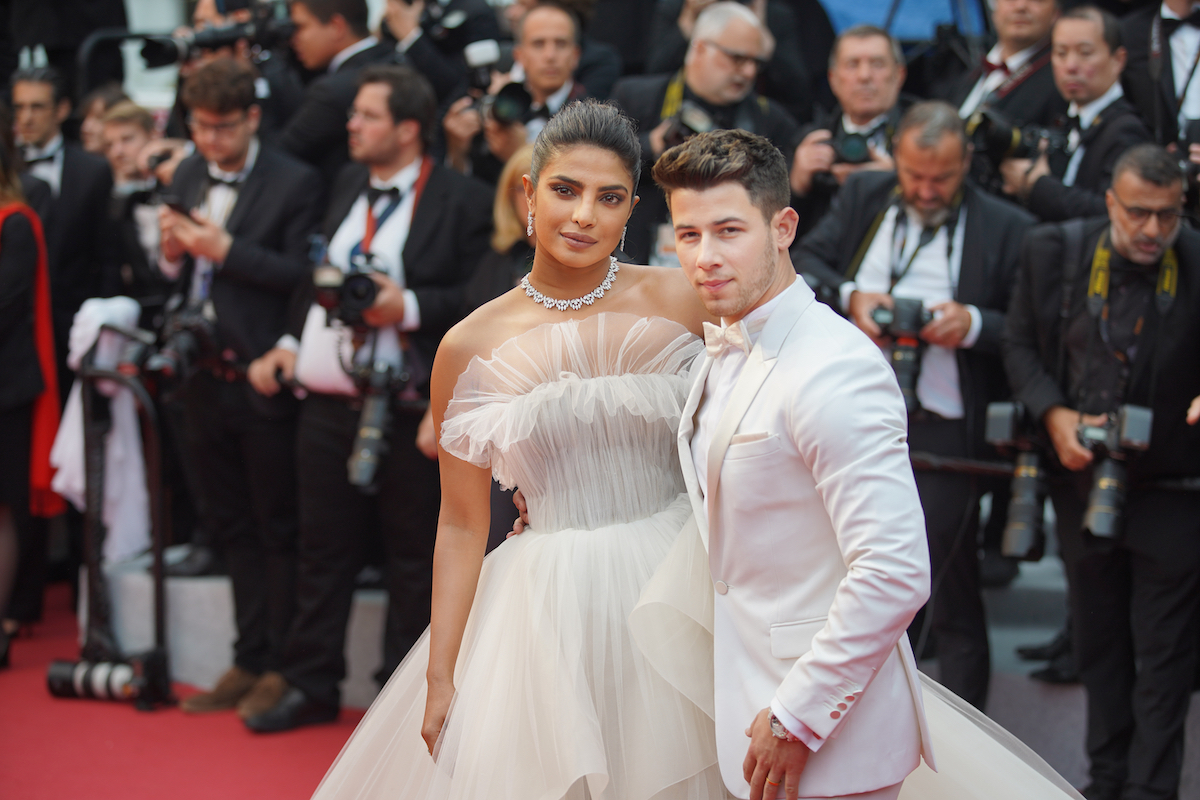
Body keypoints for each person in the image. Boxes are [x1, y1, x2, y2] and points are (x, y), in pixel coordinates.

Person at [303, 97, 725, 797]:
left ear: (632, 210)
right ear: (528, 194)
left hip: (686, 581)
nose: (584, 215)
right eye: (565, 190)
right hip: (550, 605)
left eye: (609, 197)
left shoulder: (686, 297)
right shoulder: (469, 344)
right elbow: (463, 523)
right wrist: (442, 676)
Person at [241, 65, 492, 733]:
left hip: (415, 408)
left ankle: (399, 697)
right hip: (330, 405)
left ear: (408, 128)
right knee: (322, 551)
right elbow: (317, 275)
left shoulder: (462, 199)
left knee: (414, 560)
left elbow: (481, 301)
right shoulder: (346, 183)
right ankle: (310, 680)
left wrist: (403, 306)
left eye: (367, 115)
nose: (350, 124)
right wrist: (293, 340)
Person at [795, 101, 1036, 711]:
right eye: (915, 175)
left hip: (948, 424)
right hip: (849, 414)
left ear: (967, 165)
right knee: (847, 577)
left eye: (943, 178)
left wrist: (974, 323)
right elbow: (804, 264)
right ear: (895, 160)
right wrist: (853, 296)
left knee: (944, 585)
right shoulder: (864, 198)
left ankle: (964, 736)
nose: (927, 191)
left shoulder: (1006, 225)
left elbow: (1034, 329)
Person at [1003, 143, 1200, 800]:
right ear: (1110, 201)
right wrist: (1053, 413)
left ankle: (1151, 792)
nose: (1153, 231)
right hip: (1080, 480)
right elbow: (1020, 344)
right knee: (1099, 648)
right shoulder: (1054, 250)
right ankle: (1105, 780)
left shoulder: (1196, 258)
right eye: (1139, 213)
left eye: (1167, 216)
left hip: (1173, 487)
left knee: (1166, 658)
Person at [156, 57, 323, 718]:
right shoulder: (191, 169)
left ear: (253, 118)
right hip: (202, 375)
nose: (209, 140)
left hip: (262, 375)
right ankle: (247, 654)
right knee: (228, 526)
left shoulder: (296, 180)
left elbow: (304, 277)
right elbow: (177, 266)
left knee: (277, 526)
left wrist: (225, 252)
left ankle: (280, 664)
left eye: (223, 127)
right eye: (199, 126)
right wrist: (171, 253)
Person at [610, 1, 798, 266]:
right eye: (737, 58)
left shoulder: (770, 120)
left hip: (727, 267)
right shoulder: (635, 98)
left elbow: (783, 200)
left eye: (755, 62)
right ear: (699, 48)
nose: (748, 72)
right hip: (634, 259)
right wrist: (650, 144)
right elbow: (599, 165)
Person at [0, 105, 63, 668]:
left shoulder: (15, 219)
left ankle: (6, 618)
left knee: (6, 507)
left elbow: (6, 304)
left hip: (8, 388)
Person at [11, 67, 113, 401]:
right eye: (19, 107)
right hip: (14, 333)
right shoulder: (5, 170)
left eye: (37, 106)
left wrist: (104, 331)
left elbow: (109, 257)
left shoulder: (93, 171)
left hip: (72, 329)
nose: (26, 118)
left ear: (62, 109)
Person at [999, 6, 1150, 221]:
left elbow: (1114, 215)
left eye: (1085, 53)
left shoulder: (1126, 129)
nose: (1070, 66)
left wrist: (1038, 185)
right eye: (1061, 53)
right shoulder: (1063, 118)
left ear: (1118, 59)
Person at [442, 2, 588, 183]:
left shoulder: (592, 118)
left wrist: (522, 155)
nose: (550, 55)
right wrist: (457, 151)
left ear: (575, 56)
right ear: (519, 55)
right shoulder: (490, 97)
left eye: (561, 44)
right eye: (538, 44)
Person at [790, 25, 909, 238]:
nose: (865, 76)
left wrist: (898, 182)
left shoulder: (919, 140)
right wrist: (796, 185)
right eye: (852, 65)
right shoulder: (810, 140)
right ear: (833, 79)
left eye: (877, 64)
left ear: (899, 75)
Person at [939, 0, 1067, 194]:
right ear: (993, 8)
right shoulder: (969, 73)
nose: (1021, 6)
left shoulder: (1060, 80)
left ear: (1056, 13)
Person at [280, 0, 394, 186]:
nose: (293, 38)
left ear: (336, 27)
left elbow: (277, 159)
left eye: (301, 27)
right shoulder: (395, 59)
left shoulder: (331, 91)